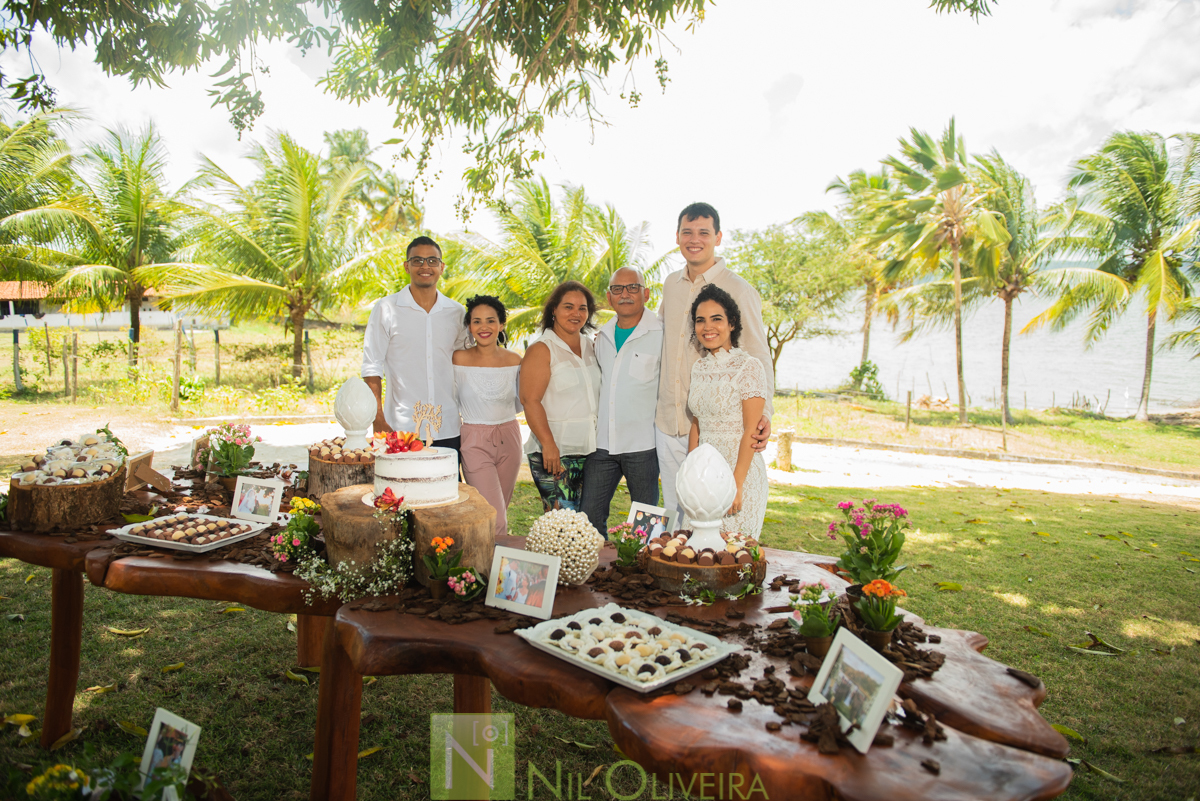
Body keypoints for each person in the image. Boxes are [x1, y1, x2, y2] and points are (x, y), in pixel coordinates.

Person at [657, 203, 774, 522]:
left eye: (704, 232)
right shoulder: (670, 285)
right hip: (667, 422)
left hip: (714, 429)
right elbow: (661, 337)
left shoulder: (739, 289)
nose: (694, 239)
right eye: (687, 232)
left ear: (718, 237)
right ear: (677, 237)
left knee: (717, 522)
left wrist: (765, 413)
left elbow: (759, 356)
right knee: (678, 521)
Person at [361, 236, 469, 461]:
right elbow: (372, 366)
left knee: (449, 483)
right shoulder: (386, 308)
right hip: (400, 427)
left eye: (432, 260)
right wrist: (377, 419)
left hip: (448, 425)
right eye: (417, 260)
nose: (425, 266)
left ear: (441, 267)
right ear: (406, 266)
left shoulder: (457, 313)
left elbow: (465, 366)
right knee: (399, 483)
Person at [579, 267, 663, 536]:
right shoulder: (601, 336)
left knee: (647, 523)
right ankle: (595, 561)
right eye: (618, 289)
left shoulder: (661, 334)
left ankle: (644, 562)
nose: (625, 294)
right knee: (588, 518)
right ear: (609, 296)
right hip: (602, 444)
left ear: (646, 294)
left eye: (633, 287)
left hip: (643, 445)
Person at [687, 284, 769, 538]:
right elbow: (697, 424)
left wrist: (736, 484)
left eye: (716, 319)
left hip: (739, 473)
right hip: (705, 476)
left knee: (734, 553)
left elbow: (751, 429)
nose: (707, 327)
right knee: (696, 550)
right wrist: (691, 473)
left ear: (732, 323)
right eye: (700, 320)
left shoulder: (749, 367)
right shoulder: (699, 368)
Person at [519, 281, 601, 514]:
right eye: (568, 307)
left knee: (584, 521)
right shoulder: (542, 349)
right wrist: (548, 444)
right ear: (554, 309)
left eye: (582, 308)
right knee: (560, 522)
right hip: (555, 452)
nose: (576, 313)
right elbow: (530, 400)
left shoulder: (591, 346)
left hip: (590, 450)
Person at [453, 295, 523, 537]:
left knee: (500, 509)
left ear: (501, 324)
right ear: (469, 327)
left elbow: (521, 402)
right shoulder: (458, 359)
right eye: (477, 321)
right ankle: (493, 560)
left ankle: (489, 557)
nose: (484, 327)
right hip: (474, 440)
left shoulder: (515, 360)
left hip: (510, 438)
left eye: (491, 320)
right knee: (494, 518)